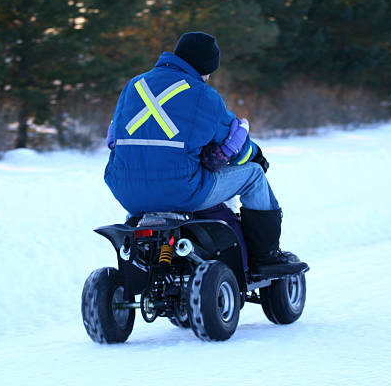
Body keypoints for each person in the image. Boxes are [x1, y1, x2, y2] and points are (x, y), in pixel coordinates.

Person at [104, 32, 306, 276]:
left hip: (127, 193)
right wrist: (256, 156)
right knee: (253, 175)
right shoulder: (203, 94)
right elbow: (234, 143)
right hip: (183, 190)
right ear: (207, 66)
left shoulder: (133, 86)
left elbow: (115, 136)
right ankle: (266, 257)